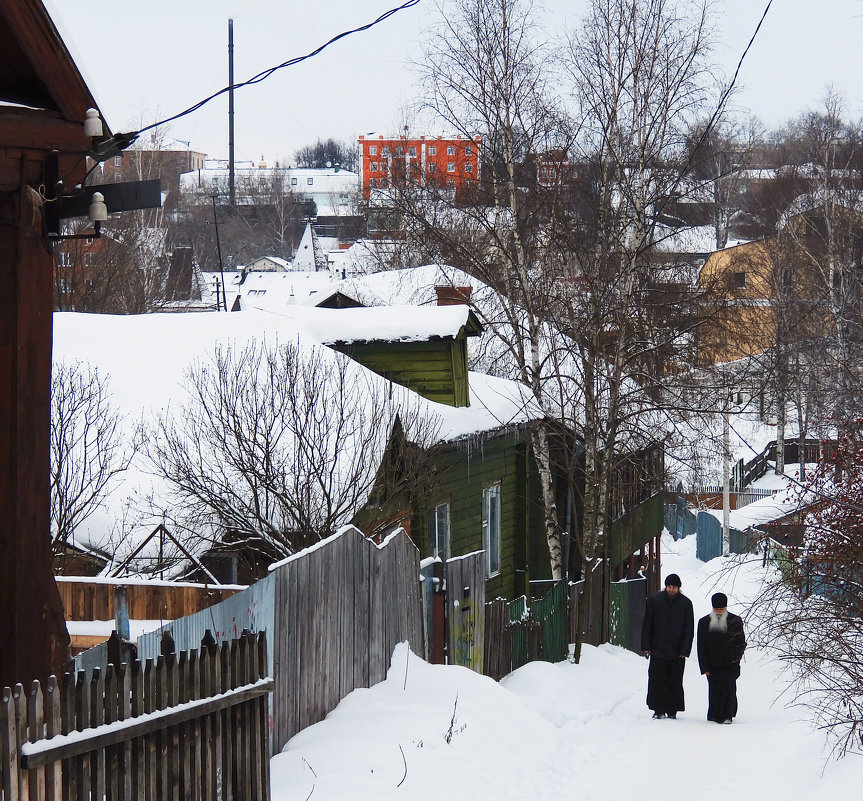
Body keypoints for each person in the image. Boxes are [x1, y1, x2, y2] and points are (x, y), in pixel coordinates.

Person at [641, 573, 694, 719]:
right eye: (669, 586)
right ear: (666, 586)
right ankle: (658, 710)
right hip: (658, 649)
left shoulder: (686, 604)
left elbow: (689, 629)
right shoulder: (655, 601)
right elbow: (648, 624)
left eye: (674, 587)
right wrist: (647, 645)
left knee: (674, 680)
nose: (671, 589)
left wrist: (685, 649)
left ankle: (672, 710)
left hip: (677, 651)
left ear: (679, 588)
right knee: (657, 680)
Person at [697, 592, 747, 724]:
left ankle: (728, 715)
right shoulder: (703, 622)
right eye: (716, 609)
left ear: (726, 607)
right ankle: (714, 714)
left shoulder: (735, 621)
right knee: (714, 690)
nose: (719, 612)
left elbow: (741, 643)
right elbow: (701, 646)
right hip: (712, 665)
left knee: (729, 689)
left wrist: (734, 659)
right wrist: (704, 667)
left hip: (730, 663)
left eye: (721, 609)